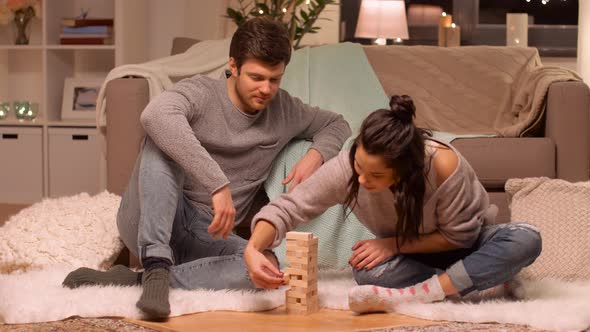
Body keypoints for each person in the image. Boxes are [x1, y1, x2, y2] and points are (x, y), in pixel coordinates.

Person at [62, 17, 351, 319]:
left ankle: (144, 279)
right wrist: (217, 183)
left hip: (208, 235)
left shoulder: (286, 110)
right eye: (256, 77)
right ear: (234, 66)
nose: (266, 89)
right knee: (160, 141)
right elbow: (154, 116)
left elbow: (336, 124)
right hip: (151, 217)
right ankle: (156, 260)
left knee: (263, 266)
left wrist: (316, 154)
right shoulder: (200, 92)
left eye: (274, 79)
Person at [244, 95, 542, 313]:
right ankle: (473, 282)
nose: (361, 180)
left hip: (472, 244)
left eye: (376, 175)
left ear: (404, 170)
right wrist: (253, 248)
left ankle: (441, 287)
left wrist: (393, 244)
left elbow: (459, 237)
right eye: (359, 166)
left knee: (526, 238)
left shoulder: (442, 164)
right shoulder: (350, 168)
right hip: (418, 260)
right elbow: (289, 207)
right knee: (367, 273)